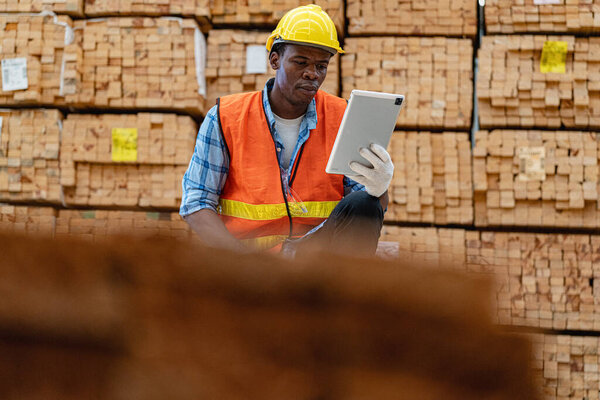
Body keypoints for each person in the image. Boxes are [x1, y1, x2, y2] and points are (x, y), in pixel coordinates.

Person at [180, 4, 394, 257]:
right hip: (247, 264)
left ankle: (343, 293)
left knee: (365, 202)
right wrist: (241, 263)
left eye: (321, 66)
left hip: (318, 260)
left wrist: (379, 188)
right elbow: (197, 202)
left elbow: (364, 210)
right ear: (275, 59)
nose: (312, 74)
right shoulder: (226, 118)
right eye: (300, 62)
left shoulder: (342, 118)